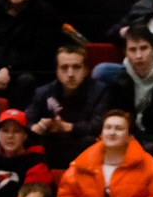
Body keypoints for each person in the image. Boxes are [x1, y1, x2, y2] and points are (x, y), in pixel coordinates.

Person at [28, 40, 106, 172]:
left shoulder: (101, 91)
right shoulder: (43, 92)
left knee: (91, 141)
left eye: (76, 67)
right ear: (57, 71)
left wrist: (70, 127)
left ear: (86, 70)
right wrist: (37, 127)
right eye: (64, 68)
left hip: (84, 149)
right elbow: (28, 119)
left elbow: (100, 125)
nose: (70, 74)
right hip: (54, 146)